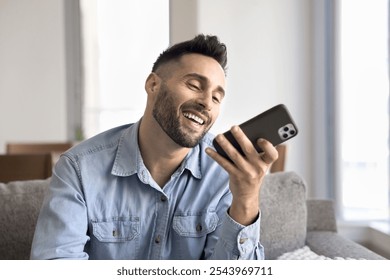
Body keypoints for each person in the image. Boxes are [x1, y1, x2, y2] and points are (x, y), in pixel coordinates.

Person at [30, 34, 278, 260]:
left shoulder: (226, 174)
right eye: (194, 85)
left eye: (216, 97)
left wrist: (246, 200)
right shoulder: (79, 168)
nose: (206, 103)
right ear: (153, 85)